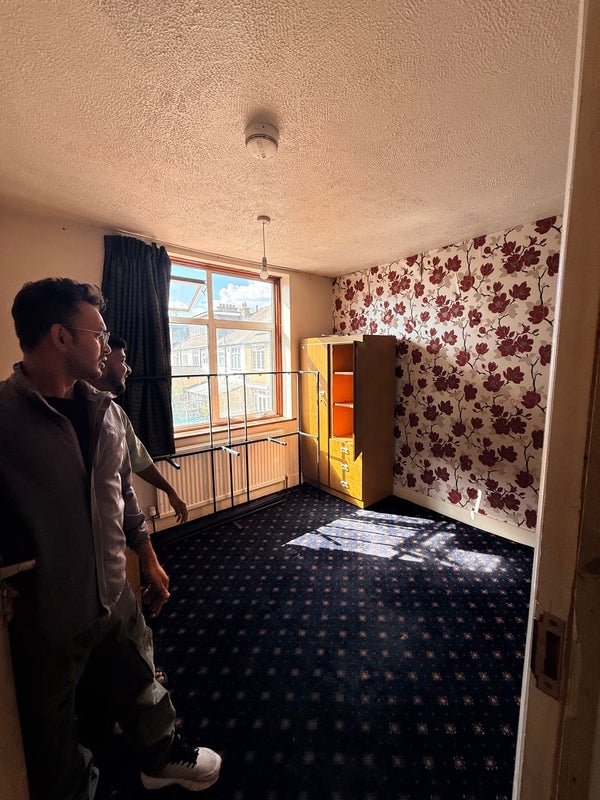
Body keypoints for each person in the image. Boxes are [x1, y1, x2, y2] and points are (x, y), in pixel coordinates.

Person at [0, 278, 221, 799]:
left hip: (116, 591)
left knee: (143, 682)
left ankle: (161, 757)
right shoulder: (5, 419)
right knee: (52, 732)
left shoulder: (108, 412)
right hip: (48, 612)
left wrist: (147, 556)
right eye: (97, 334)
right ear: (60, 336)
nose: (106, 344)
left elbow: (121, 492)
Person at [88, 333, 188, 525]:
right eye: (123, 361)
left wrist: (170, 491)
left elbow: (139, 458)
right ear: (102, 361)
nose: (128, 369)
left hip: (116, 520)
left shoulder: (116, 413)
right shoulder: (68, 414)